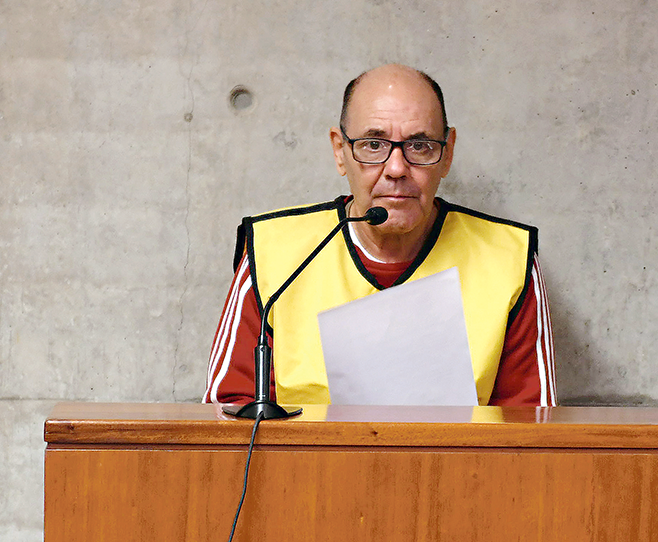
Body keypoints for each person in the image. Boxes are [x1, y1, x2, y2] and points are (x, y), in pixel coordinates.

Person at [204, 64, 556, 407]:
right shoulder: (273, 253)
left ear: (447, 153)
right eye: (373, 145)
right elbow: (227, 417)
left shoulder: (507, 259)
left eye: (420, 146)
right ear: (340, 151)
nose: (397, 169)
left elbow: (530, 430)